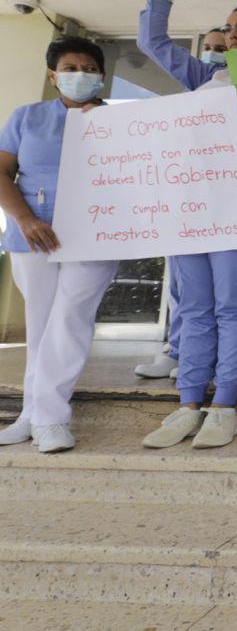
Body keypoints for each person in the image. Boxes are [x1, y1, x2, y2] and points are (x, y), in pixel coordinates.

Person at [136, 0, 237, 450]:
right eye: (231, 28)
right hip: (191, 212)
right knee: (194, 308)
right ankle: (188, 403)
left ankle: (225, 408)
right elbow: (152, 44)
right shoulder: (203, 78)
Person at [0, 37, 120, 453]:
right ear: (53, 77)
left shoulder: (121, 124)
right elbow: (2, 172)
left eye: (88, 68)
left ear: (102, 77)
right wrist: (25, 218)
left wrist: (100, 127)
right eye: (69, 69)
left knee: (70, 320)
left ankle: (50, 418)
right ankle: (30, 415)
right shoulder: (27, 117)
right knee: (41, 324)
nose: (79, 75)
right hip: (33, 236)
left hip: (94, 237)